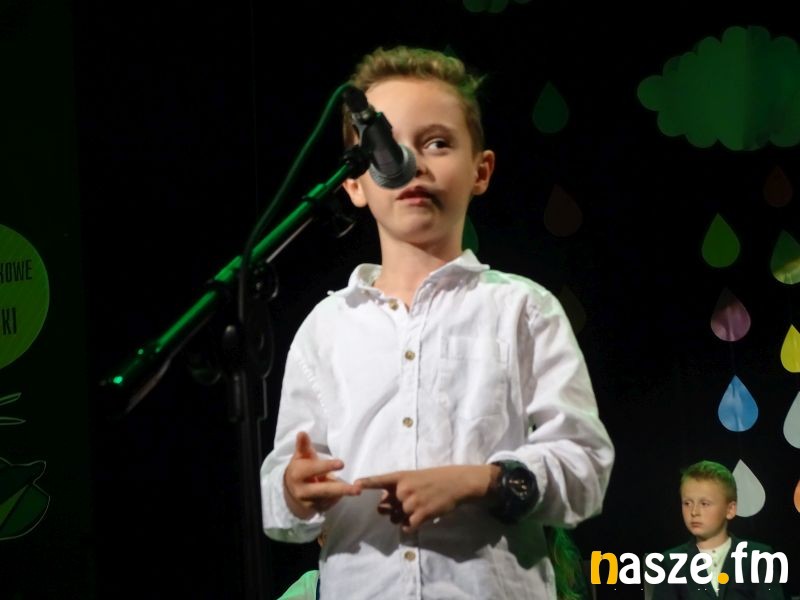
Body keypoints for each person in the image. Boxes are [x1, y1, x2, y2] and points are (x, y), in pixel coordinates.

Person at [260, 45, 614, 599]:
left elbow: (586, 466)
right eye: (385, 146)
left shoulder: (523, 309)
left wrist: (482, 480)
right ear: (353, 184)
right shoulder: (327, 327)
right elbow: (279, 500)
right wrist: (293, 488)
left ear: (481, 170)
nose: (413, 164)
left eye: (438, 143)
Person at [652, 460, 787, 600]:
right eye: (687, 503)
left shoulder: (758, 558)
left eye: (704, 503)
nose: (694, 512)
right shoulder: (671, 562)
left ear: (730, 509)